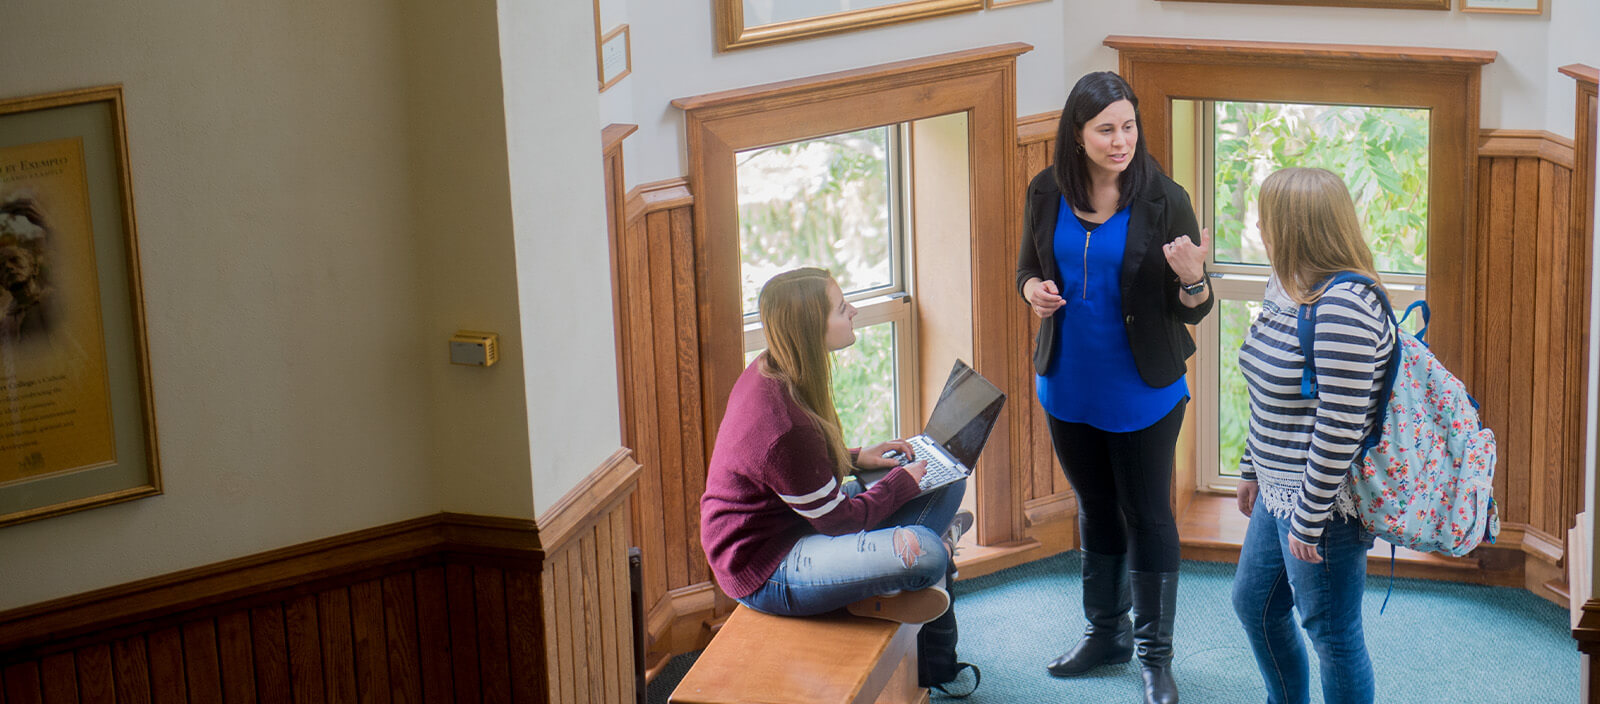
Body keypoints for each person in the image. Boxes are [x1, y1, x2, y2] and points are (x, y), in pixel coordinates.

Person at [1016, 71, 1212, 704]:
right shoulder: (1045, 191)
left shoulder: (1165, 198)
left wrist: (1192, 280)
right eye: (1106, 129)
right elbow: (1026, 266)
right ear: (1077, 135)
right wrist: (1034, 293)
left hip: (1144, 390)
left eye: (1128, 126)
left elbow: (1193, 309)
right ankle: (1106, 635)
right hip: (1068, 385)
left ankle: (1156, 658)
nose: (1121, 140)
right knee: (1095, 509)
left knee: (1148, 514)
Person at [700, 267, 968, 626]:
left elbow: (795, 475)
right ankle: (936, 551)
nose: (853, 310)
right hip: (766, 566)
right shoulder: (784, 424)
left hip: (798, 522)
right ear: (812, 329)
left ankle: (884, 578)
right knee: (929, 553)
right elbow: (839, 522)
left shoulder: (773, 368)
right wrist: (900, 483)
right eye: (842, 308)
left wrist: (854, 459)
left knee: (949, 478)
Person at [1230, 167, 1394, 704]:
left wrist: (1308, 515)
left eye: (1267, 217)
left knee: (1333, 635)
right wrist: (1252, 466)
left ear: (1296, 227)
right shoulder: (1288, 282)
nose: (1258, 224)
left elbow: (1340, 427)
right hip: (1278, 490)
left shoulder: (1343, 307)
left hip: (1322, 505)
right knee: (1254, 606)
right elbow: (1268, 387)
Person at [0, 243, 55, 342]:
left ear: (34, 269)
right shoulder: (4, 320)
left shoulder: (56, 300)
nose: (8, 266)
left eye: (15, 260)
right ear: (2, 283)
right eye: (1, 267)